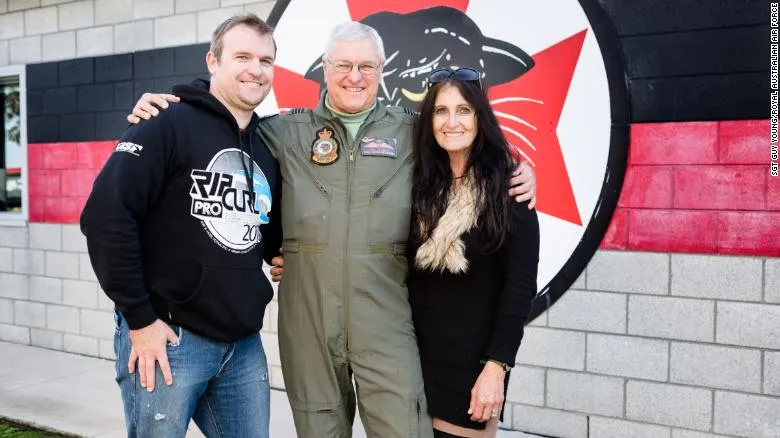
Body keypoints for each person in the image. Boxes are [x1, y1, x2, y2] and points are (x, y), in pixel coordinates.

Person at [128, 21, 537, 438]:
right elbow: (227, 118)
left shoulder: (411, 129)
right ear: (325, 68)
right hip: (309, 318)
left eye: (366, 66)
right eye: (343, 65)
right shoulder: (286, 131)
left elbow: (465, 145)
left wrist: (518, 170)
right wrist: (173, 105)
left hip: (386, 317)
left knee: (403, 427)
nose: (354, 77)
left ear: (381, 70)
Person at [81, 14, 282, 437]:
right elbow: (106, 217)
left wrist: (281, 252)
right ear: (213, 61)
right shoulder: (165, 121)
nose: (256, 69)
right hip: (169, 338)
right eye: (242, 57)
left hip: (243, 346)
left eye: (265, 60)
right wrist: (140, 320)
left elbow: (260, 229)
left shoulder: (266, 145)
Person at [408, 68, 540, 438]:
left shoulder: (509, 189)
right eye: (441, 111)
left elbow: (520, 288)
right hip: (411, 360)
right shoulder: (417, 184)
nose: (452, 122)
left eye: (463, 110)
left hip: (472, 367)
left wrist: (496, 368)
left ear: (480, 117)